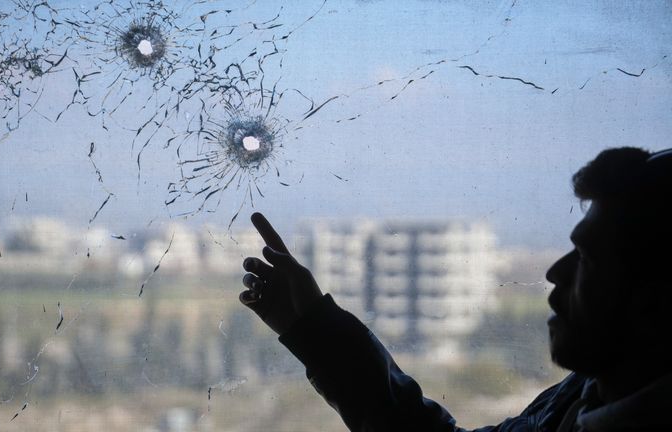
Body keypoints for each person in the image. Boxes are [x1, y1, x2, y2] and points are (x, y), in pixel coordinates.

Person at [238, 147, 672, 432]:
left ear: (656, 304)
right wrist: (315, 328)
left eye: (589, 258)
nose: (557, 271)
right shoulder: (583, 397)